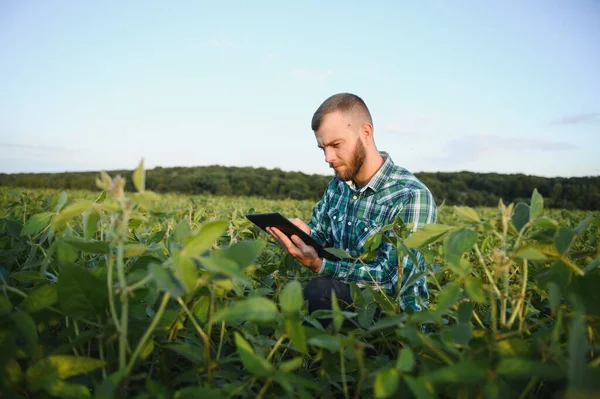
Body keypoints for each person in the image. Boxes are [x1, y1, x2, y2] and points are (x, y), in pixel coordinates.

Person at [266, 93, 437, 320]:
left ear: (365, 132)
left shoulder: (410, 195)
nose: (328, 157)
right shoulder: (337, 187)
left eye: (336, 145)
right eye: (322, 148)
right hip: (346, 300)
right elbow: (323, 239)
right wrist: (305, 235)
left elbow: (393, 281)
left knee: (318, 291)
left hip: (394, 317)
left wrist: (320, 265)